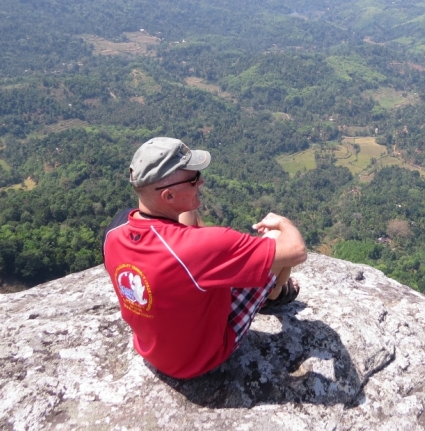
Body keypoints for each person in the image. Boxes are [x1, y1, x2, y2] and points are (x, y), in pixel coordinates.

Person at [102, 137, 307, 379]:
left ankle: (220, 281)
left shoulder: (114, 231)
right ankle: (275, 294)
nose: (202, 180)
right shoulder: (200, 248)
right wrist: (283, 222)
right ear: (167, 196)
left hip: (153, 350)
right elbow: (296, 250)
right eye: (193, 179)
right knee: (273, 237)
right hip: (202, 358)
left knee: (190, 213)